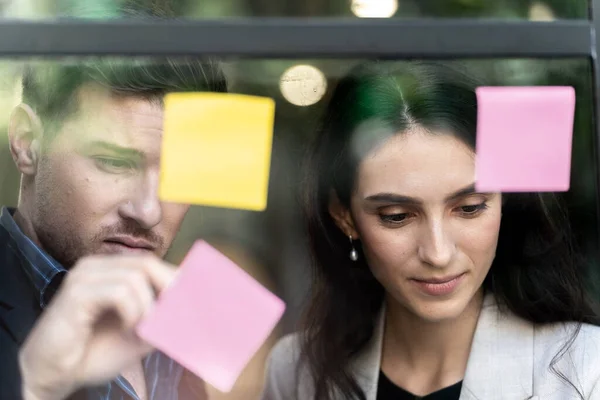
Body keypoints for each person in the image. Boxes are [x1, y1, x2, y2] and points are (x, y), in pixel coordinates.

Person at [261, 61, 600, 400]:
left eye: (469, 208)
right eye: (396, 216)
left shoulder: (585, 370)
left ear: (504, 201)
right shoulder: (295, 371)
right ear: (344, 216)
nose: (438, 253)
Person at [0, 56, 227, 400]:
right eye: (114, 161)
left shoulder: (200, 316)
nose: (148, 211)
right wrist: (32, 386)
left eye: (181, 172)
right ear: (27, 141)